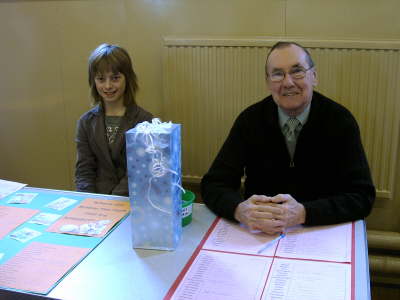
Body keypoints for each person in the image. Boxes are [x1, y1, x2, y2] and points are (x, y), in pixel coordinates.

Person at [201, 41, 375, 235]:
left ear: (314, 76)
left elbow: (362, 196)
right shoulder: (249, 120)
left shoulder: (340, 121)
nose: (288, 82)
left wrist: (303, 213)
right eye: (277, 74)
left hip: (320, 231)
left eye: (297, 71)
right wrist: (239, 210)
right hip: (260, 235)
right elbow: (213, 184)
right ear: (268, 82)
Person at [75, 43, 153, 196]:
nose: (108, 86)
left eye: (115, 78)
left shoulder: (145, 122)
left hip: (132, 200)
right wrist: (89, 201)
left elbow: (138, 172)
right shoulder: (85, 122)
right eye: (101, 79)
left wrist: (112, 203)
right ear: (93, 81)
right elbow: (84, 171)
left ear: (127, 78)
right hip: (95, 201)